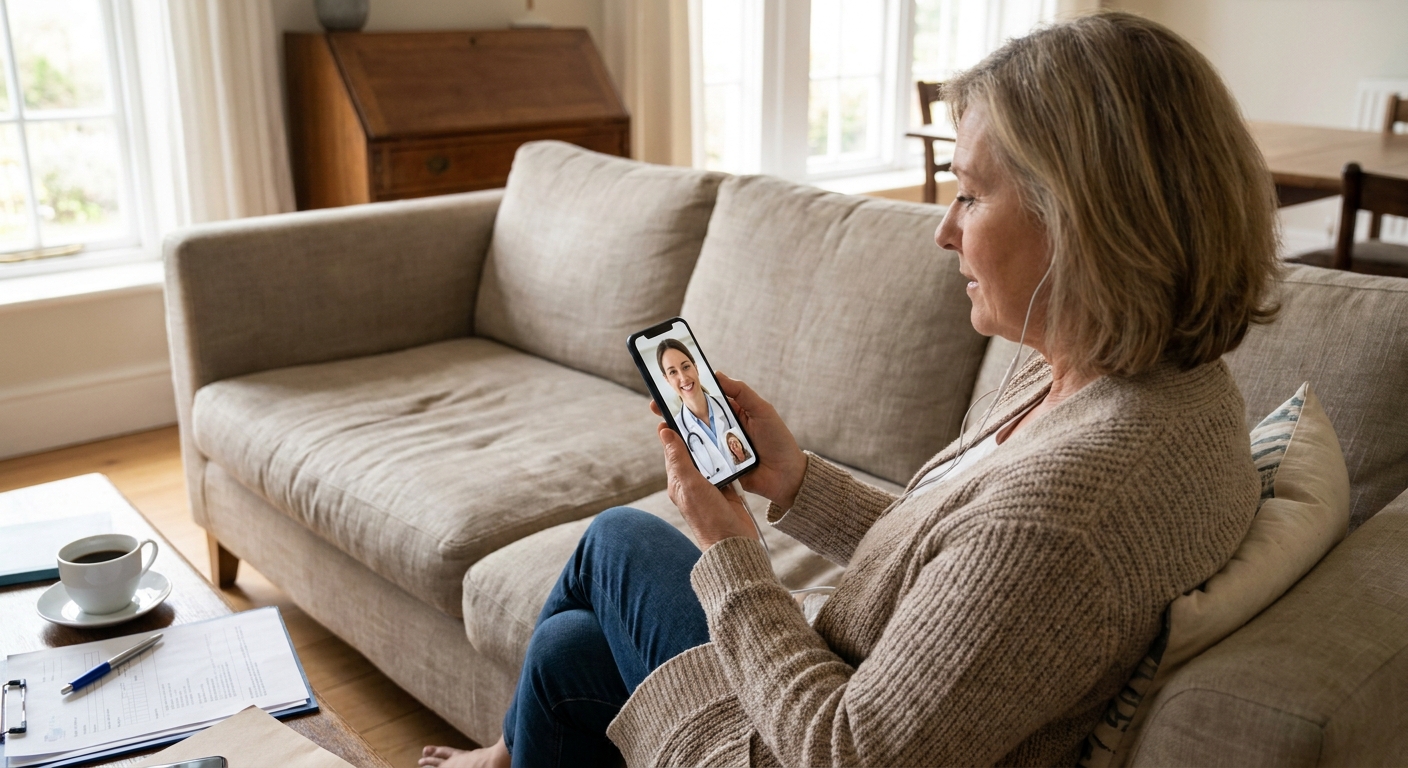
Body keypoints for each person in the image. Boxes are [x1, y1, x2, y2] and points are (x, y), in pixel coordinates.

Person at [422, 11, 1278, 768]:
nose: (944, 231)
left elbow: (847, 751)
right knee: (569, 653)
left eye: (971, 195)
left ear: (1084, 218)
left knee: (617, 539)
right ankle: (506, 756)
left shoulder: (1069, 515)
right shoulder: (1135, 380)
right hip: (836, 684)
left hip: (790, 739)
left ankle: (500, 756)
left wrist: (729, 548)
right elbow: (956, 572)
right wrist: (796, 481)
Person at [655, 338, 737, 482]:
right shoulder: (677, 430)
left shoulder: (730, 406)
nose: (683, 378)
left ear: (695, 367)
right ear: (667, 379)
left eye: (686, 367)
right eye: (673, 372)